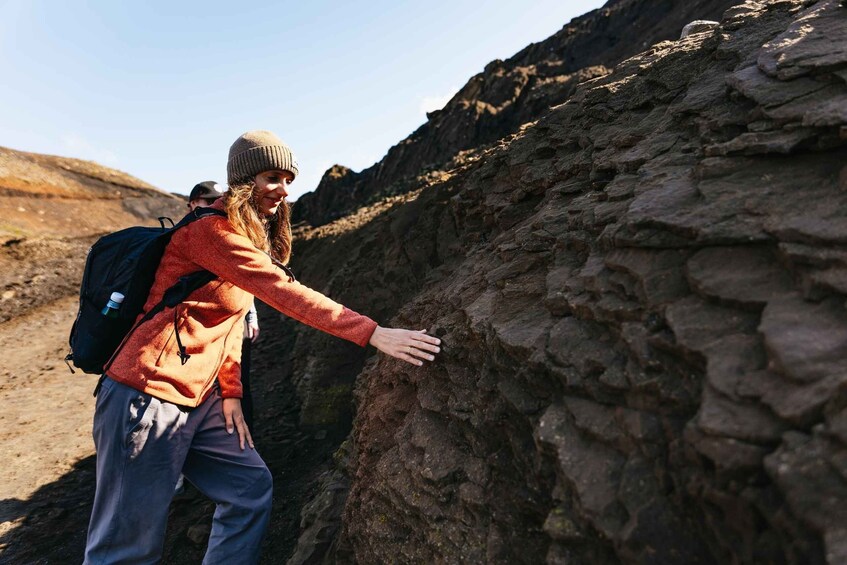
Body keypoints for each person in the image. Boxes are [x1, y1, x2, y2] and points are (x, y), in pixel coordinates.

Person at [84, 130, 441, 564]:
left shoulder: (246, 235)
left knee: (248, 491)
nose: (283, 189)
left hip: (200, 398)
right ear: (243, 179)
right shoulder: (211, 233)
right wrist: (372, 333)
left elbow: (231, 325)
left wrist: (230, 394)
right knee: (126, 547)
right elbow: (282, 291)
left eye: (289, 178)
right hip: (146, 394)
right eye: (272, 177)